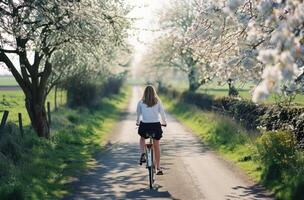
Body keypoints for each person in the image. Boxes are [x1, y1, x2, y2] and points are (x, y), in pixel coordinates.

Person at [136, 85, 167, 175]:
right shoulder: (157, 101)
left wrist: (137, 122)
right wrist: (164, 122)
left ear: (144, 92)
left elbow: (138, 114)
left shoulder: (141, 102)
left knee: (142, 138)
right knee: (156, 146)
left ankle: (142, 153)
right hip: (155, 126)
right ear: (154, 92)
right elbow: (162, 113)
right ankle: (158, 167)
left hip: (144, 126)